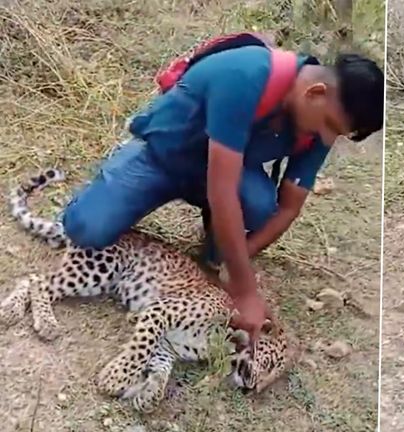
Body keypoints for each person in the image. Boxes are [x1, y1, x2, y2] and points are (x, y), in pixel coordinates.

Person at [60, 41, 385, 342]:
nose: (327, 138)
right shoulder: (246, 76)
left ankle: (216, 252)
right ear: (315, 92)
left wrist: (240, 259)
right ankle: (119, 172)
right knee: (86, 228)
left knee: (259, 203)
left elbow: (288, 208)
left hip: (223, 174)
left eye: (337, 133)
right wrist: (245, 291)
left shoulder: (321, 122)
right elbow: (222, 190)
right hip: (164, 157)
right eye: (329, 125)